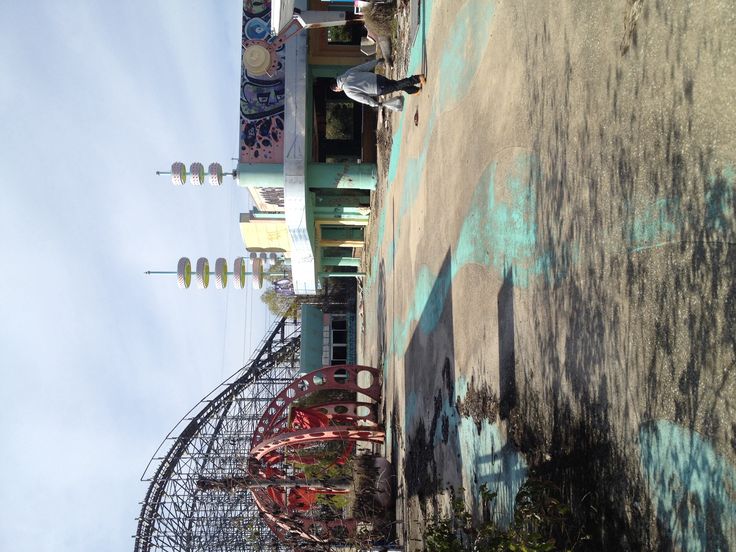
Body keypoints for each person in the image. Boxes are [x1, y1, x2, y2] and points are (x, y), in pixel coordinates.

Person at [331, 59, 426, 108]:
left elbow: (363, 99)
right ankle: (414, 90)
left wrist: (374, 104)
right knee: (395, 84)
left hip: (377, 88)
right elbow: (364, 67)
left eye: (337, 90)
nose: (339, 91)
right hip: (377, 78)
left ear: (337, 88)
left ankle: (417, 78)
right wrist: (375, 62)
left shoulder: (348, 91)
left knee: (396, 86)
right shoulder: (348, 73)